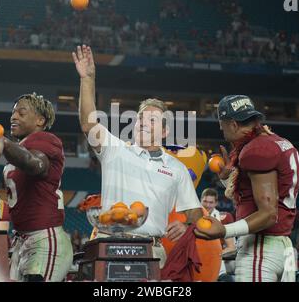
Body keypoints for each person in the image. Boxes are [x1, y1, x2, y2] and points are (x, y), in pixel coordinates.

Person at [72, 45, 203, 268]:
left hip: (152, 251)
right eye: (141, 118)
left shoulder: (176, 168)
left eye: (152, 120)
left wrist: (187, 224)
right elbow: (88, 123)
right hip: (109, 245)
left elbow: (195, 211)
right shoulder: (116, 150)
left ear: (164, 132)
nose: (143, 122)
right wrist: (87, 79)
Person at [195, 95, 299, 282]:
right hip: (284, 247)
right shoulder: (279, 142)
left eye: (222, 123)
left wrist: (224, 231)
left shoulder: (256, 149)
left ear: (234, 124)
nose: (220, 128)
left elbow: (268, 214)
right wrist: (228, 179)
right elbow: (251, 197)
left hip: (260, 248)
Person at [2, 93, 73, 282]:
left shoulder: (44, 139)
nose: (13, 116)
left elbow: (34, 165)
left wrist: (2, 143)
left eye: (21, 113)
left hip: (43, 237)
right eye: (13, 112)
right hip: (23, 240)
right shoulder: (19, 148)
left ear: (40, 120)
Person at [201, 188, 236, 281]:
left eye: (211, 202)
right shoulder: (193, 218)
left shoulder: (224, 218)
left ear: (216, 203)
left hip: (217, 262)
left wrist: (214, 253)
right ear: (200, 201)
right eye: (205, 201)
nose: (207, 205)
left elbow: (231, 247)